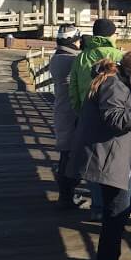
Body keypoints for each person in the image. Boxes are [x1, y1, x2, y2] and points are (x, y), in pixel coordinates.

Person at [69, 49, 131, 260]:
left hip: (110, 157)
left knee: (116, 215)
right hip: (107, 160)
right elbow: (116, 119)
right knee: (115, 217)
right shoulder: (113, 85)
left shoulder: (115, 81)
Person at [68, 18, 124, 220]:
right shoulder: (120, 57)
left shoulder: (81, 58)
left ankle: (97, 207)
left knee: (92, 163)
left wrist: (80, 111)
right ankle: (115, 209)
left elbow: (72, 90)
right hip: (115, 118)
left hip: (87, 117)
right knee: (115, 162)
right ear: (111, 35)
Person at [48, 24, 83, 210]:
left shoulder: (57, 58)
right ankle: (66, 197)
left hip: (62, 111)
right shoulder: (71, 60)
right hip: (71, 114)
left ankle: (66, 195)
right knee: (69, 157)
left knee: (66, 155)